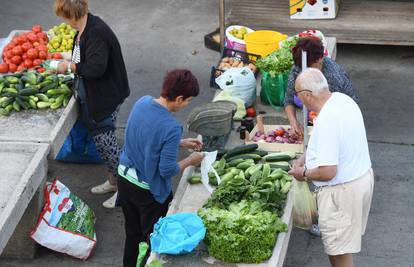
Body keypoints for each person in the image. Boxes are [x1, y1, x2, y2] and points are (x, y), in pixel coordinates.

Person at [117, 69, 205, 267]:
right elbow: (167, 170)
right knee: (153, 240)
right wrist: (191, 160)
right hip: (146, 191)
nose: (187, 105)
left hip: (124, 179)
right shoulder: (171, 127)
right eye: (188, 101)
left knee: (132, 234)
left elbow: (145, 137)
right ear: (179, 98)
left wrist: (180, 143)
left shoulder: (143, 102)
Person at [288, 68, 374, 267]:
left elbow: (328, 171)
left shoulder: (328, 119)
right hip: (360, 180)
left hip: (342, 194)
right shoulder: (342, 100)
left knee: (340, 254)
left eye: (297, 94)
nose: (297, 99)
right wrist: (305, 158)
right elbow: (333, 145)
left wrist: (304, 173)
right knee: (339, 248)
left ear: (307, 95)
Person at [54, 0, 130, 208]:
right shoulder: (85, 28)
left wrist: (69, 66)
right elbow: (84, 56)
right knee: (103, 143)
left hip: (105, 97)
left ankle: (124, 190)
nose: (64, 21)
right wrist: (66, 58)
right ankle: (114, 182)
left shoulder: (96, 33)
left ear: (72, 15)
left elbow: (95, 69)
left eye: (64, 16)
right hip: (96, 96)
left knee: (107, 143)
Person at [284, 37, 358, 137]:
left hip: (339, 122)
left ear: (320, 59)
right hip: (316, 117)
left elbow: (339, 113)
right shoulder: (298, 68)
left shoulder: (333, 77)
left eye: (310, 67)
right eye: (303, 68)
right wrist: (294, 123)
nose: (306, 72)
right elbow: (288, 100)